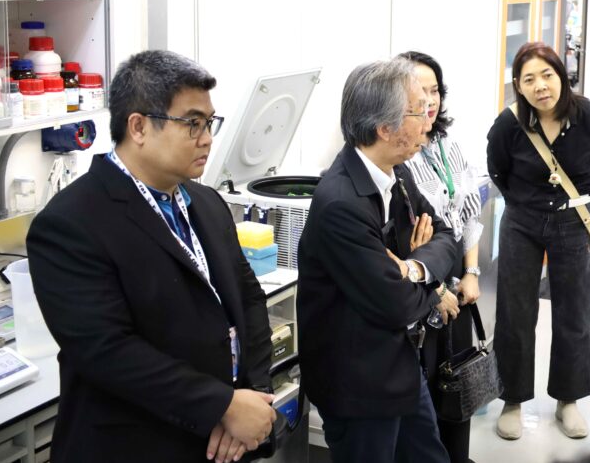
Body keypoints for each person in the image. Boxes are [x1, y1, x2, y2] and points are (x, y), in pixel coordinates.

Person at [27, 50, 276, 463]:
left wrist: (254, 397)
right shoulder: (70, 223)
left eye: (209, 123)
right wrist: (223, 406)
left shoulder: (206, 203)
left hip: (221, 441)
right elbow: (109, 352)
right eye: (192, 123)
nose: (207, 138)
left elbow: (249, 301)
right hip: (135, 446)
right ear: (139, 127)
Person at [297, 58, 463, 463]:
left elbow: (446, 236)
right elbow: (395, 304)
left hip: (400, 365)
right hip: (358, 385)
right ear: (385, 128)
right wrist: (430, 286)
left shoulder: (397, 173)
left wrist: (412, 268)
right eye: (418, 111)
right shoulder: (341, 203)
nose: (428, 121)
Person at [487, 41, 590, 440]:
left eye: (547, 75)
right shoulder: (509, 124)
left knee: (574, 312)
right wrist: (527, 203)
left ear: (562, 76)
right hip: (521, 222)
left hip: (574, 219)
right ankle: (512, 400)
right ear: (518, 86)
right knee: (515, 313)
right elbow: (497, 169)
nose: (540, 86)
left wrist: (570, 200)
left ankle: (567, 400)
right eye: (529, 79)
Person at [400, 50, 485, 463]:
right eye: (420, 92)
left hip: (457, 277)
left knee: (459, 384)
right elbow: (410, 241)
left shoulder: (447, 144)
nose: (429, 100)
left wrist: (471, 272)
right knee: (429, 391)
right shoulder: (400, 153)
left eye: (434, 91)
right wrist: (436, 289)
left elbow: (469, 215)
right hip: (424, 285)